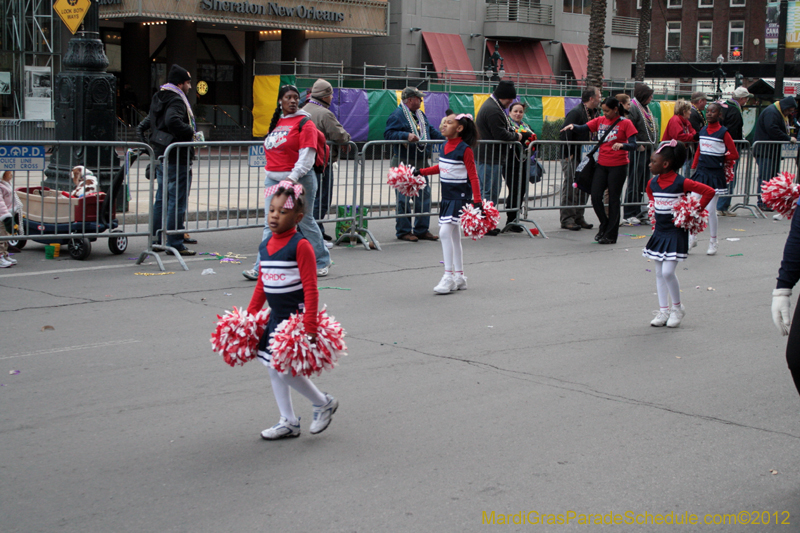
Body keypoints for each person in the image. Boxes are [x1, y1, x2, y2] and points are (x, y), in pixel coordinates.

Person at [246, 184, 338, 440]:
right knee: (273, 368)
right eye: (271, 210)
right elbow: (262, 285)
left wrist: (310, 326)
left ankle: (322, 402)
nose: (274, 215)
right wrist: (251, 316)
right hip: (275, 319)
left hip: (294, 320)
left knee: (284, 369)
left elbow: (311, 289)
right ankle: (287, 420)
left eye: (282, 212)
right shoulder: (265, 246)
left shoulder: (301, 246)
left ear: (298, 218)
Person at [243, 85, 332, 280]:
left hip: (300, 180)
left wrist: (291, 179)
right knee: (270, 223)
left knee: (306, 221)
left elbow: (307, 156)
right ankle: (261, 267)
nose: (292, 101)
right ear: (280, 102)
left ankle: (322, 261)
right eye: (287, 98)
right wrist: (272, 174)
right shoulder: (276, 123)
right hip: (273, 180)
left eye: (295, 97)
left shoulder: (305, 123)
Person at [643, 141, 715, 328]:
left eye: (653, 161)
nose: (649, 165)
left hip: (675, 232)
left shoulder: (681, 182)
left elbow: (709, 191)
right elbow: (650, 195)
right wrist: (655, 210)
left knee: (667, 272)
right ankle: (663, 310)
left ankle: (677, 308)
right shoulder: (653, 183)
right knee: (659, 273)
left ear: (665, 164)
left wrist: (694, 211)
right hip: (659, 232)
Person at [415, 111, 482, 293]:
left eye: (449, 123)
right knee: (454, 236)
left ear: (459, 128)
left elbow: (473, 176)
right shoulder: (445, 146)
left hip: (459, 198)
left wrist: (477, 201)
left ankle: (448, 276)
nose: (443, 125)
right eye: (443, 122)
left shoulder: (465, 149)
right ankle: (459, 276)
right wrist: (421, 171)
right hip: (447, 198)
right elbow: (442, 167)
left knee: (444, 232)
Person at [137, 64, 200, 256]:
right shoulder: (176, 99)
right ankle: (175, 242)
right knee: (177, 200)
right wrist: (192, 133)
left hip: (162, 155)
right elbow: (173, 121)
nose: (190, 87)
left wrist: (150, 146)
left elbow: (145, 124)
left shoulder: (159, 96)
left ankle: (156, 240)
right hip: (176, 156)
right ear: (180, 84)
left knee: (161, 199)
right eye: (188, 83)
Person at [561, 96, 638, 244]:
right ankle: (604, 223)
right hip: (602, 164)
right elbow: (585, 127)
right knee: (596, 196)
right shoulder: (600, 121)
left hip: (618, 165)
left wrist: (622, 145)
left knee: (614, 200)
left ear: (616, 109)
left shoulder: (626, 123)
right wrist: (573, 126)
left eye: (607, 111)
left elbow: (633, 145)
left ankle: (611, 234)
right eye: (603, 111)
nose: (604, 114)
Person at [384, 87, 443, 242]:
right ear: (409, 100)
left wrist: (447, 138)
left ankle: (422, 229)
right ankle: (403, 231)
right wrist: (405, 135)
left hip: (421, 161)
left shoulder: (420, 115)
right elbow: (388, 134)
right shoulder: (397, 115)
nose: (421, 100)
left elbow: (430, 131)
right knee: (403, 198)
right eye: (418, 98)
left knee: (424, 195)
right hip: (403, 162)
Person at [475, 80, 530, 235]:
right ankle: (485, 225)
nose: (511, 102)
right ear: (503, 96)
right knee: (489, 192)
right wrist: (518, 136)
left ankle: (487, 223)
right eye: (510, 99)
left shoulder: (494, 106)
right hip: (489, 157)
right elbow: (500, 134)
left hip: (491, 157)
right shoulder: (493, 110)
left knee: (490, 192)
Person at [301, 78, 351, 241]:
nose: (332, 98)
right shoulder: (324, 113)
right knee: (321, 199)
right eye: (330, 94)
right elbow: (339, 134)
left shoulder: (304, 109)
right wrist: (346, 140)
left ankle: (312, 229)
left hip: (304, 163)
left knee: (307, 199)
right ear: (325, 95)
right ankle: (314, 231)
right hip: (321, 163)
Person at [689, 102, 739, 255]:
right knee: (692, 205)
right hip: (701, 172)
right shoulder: (703, 130)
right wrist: (694, 166)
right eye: (707, 111)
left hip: (715, 174)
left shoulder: (724, 132)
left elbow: (734, 153)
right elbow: (699, 150)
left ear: (719, 115)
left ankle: (713, 241)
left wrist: (721, 157)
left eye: (713, 111)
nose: (709, 113)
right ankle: (692, 237)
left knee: (710, 209)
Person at [559, 86, 601, 231]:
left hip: (587, 158)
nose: (600, 99)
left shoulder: (596, 113)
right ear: (591, 98)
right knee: (571, 187)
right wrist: (567, 155)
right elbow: (564, 133)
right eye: (599, 96)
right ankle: (567, 218)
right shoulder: (576, 112)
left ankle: (579, 216)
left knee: (584, 187)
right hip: (574, 156)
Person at [624, 83, 660, 226]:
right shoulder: (633, 107)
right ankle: (629, 213)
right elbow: (630, 127)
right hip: (638, 151)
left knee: (644, 182)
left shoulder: (645, 107)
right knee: (634, 181)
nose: (651, 98)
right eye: (650, 95)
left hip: (648, 150)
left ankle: (641, 211)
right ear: (643, 95)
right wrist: (638, 144)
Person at [753, 96, 797, 212]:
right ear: (785, 107)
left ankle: (769, 201)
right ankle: (763, 201)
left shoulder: (776, 111)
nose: (789, 113)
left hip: (771, 151)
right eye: (789, 110)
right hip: (765, 151)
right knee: (766, 177)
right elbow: (772, 129)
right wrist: (787, 138)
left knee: (771, 177)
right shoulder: (772, 112)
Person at [717, 86, 751, 216]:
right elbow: (732, 131)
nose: (746, 101)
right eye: (746, 99)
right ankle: (723, 206)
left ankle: (721, 205)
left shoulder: (723, 106)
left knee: (721, 176)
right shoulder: (735, 111)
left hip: (720, 147)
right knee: (729, 176)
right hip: (730, 147)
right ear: (741, 99)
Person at [505, 101, 537, 231]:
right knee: (514, 189)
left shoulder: (526, 126)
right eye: (515, 111)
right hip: (509, 162)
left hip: (524, 162)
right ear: (510, 112)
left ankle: (516, 218)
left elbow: (534, 140)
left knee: (522, 190)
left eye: (520, 112)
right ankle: (510, 220)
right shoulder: (507, 125)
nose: (518, 114)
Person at [662, 100, 697, 178]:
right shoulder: (675, 120)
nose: (690, 112)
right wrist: (691, 137)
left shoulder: (685, 122)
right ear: (684, 112)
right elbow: (679, 137)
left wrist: (690, 136)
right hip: (671, 153)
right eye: (689, 110)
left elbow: (693, 132)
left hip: (681, 151)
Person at [0, 170, 20, 268]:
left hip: (7, 213)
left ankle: (4, 255)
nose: (11, 175)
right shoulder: (1, 185)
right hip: (2, 216)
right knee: (1, 237)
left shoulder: (6, 184)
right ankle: (0, 257)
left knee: (5, 237)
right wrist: (6, 216)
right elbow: (0, 204)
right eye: (9, 173)